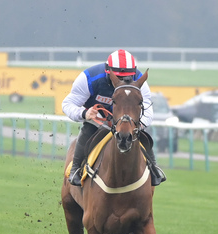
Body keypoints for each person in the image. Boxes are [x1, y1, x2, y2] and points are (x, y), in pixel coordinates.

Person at [62, 49, 166, 186]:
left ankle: (153, 168)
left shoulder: (140, 81)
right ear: (108, 73)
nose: (122, 81)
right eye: (118, 78)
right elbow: (68, 104)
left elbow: (147, 111)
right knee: (88, 130)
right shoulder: (89, 78)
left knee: (142, 133)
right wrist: (84, 114)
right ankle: (76, 168)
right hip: (99, 118)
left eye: (127, 78)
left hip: (127, 121)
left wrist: (138, 126)